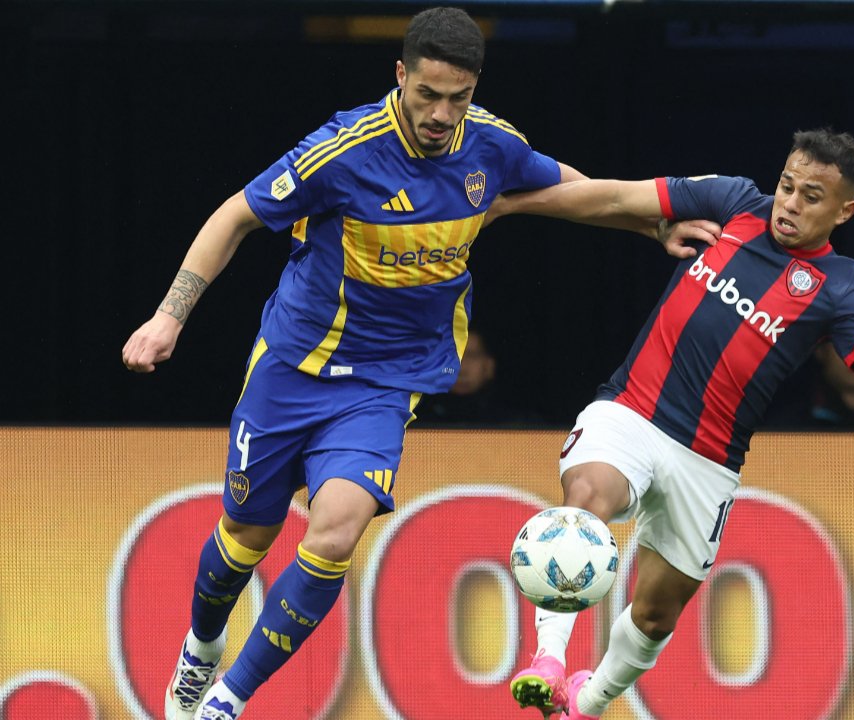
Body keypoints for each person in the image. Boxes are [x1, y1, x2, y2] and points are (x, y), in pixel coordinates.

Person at [120, 9, 705, 720]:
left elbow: (576, 191)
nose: (440, 113)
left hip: (387, 381)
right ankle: (200, 650)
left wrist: (653, 222)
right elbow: (234, 216)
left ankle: (225, 701)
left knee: (335, 528)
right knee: (246, 536)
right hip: (295, 365)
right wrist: (168, 315)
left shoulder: (489, 146)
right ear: (401, 76)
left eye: (457, 97)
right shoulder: (342, 150)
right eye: (428, 94)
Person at [492, 128, 854, 719]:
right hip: (631, 412)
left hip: (708, 459)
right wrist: (509, 204)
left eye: (812, 197)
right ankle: (548, 661)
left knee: (657, 614)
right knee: (586, 497)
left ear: (846, 211)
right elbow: (614, 197)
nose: (790, 203)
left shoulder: (842, 285)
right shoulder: (734, 200)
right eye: (788, 185)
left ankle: (585, 703)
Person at [419, 328, 545, 425]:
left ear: (489, 366)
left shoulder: (519, 424)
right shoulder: (414, 422)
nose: (462, 368)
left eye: (472, 355)